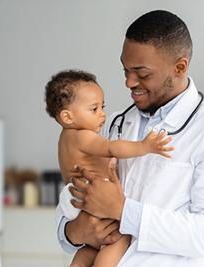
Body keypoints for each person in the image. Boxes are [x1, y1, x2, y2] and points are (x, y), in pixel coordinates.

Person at [56, 10, 204, 267]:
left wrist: (124, 211)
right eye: (125, 70)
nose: (129, 82)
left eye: (142, 73)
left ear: (179, 67)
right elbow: (71, 214)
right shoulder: (111, 124)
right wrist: (74, 231)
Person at [44, 69, 174, 267]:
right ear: (68, 117)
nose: (102, 114)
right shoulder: (82, 136)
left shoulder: (65, 139)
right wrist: (144, 147)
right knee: (118, 238)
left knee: (89, 248)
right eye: (94, 109)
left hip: (75, 198)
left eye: (102, 107)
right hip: (91, 195)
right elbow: (110, 147)